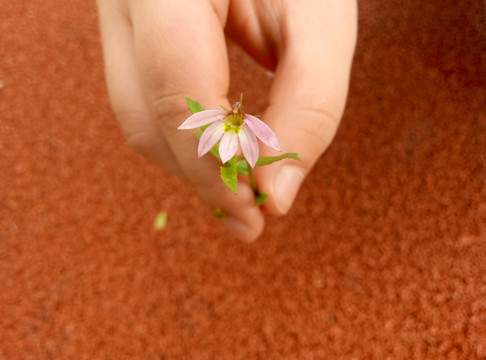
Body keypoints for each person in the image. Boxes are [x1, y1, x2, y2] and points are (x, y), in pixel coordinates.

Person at [96, 0, 357, 242]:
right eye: (234, 118)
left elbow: (258, 144)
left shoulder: (246, 130)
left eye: (237, 118)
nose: (234, 119)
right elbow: (200, 126)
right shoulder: (222, 126)